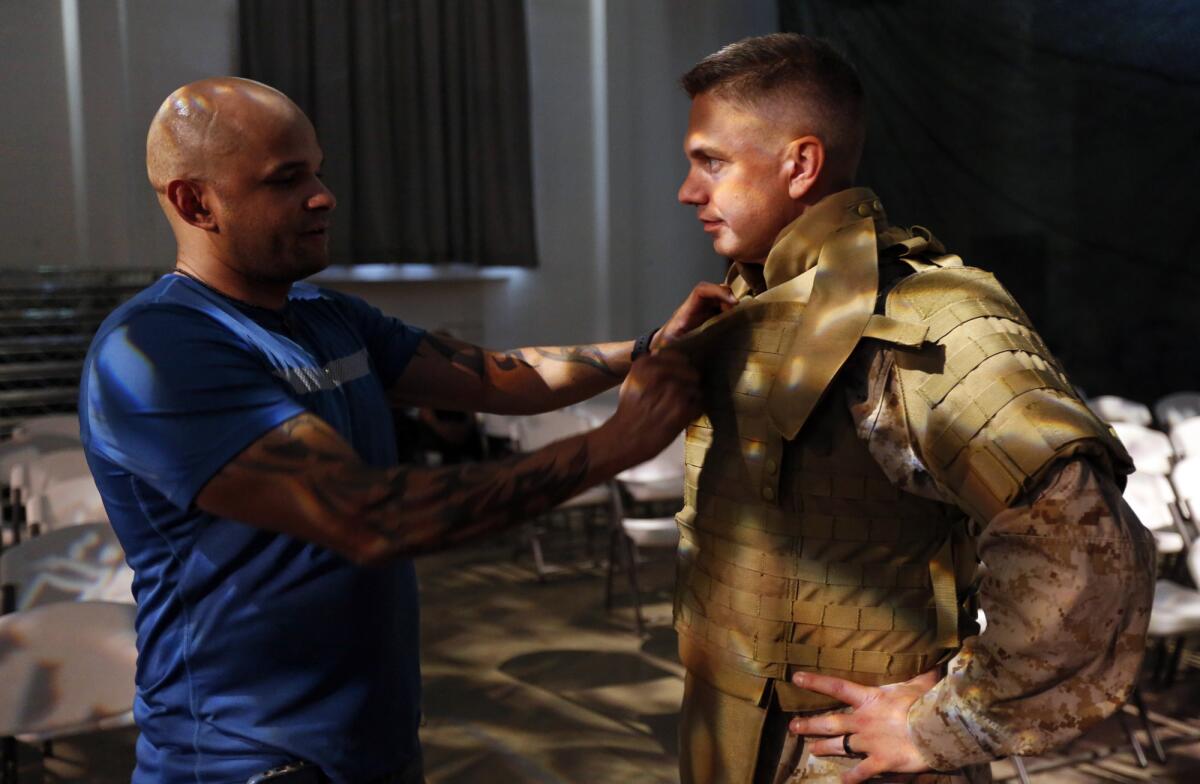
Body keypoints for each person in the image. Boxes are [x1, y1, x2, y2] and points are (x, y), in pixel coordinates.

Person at [79, 76, 735, 784]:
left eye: (320, 171)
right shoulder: (159, 351)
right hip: (248, 761)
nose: (324, 195)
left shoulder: (326, 316)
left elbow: (493, 375)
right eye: (287, 179)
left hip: (369, 742)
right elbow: (367, 516)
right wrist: (615, 445)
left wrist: (647, 349)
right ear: (194, 201)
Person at [666, 33, 1156, 784]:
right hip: (733, 743)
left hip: (850, 762)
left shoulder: (924, 315)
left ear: (799, 164)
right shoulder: (750, 305)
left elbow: (1088, 548)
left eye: (711, 162)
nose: (688, 192)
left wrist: (954, 722)